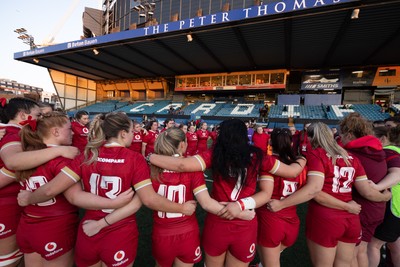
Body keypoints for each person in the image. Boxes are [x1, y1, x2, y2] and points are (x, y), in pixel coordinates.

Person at [17, 112, 196, 267]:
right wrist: (182, 208)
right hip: (120, 232)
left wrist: (29, 198)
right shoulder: (134, 159)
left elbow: (54, 191)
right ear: (123, 133)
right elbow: (149, 200)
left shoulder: (87, 154)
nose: (134, 135)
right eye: (132, 132)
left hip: (87, 231)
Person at [148, 119, 307, 267]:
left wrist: (151, 157)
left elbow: (182, 165)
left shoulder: (214, 154)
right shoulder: (259, 156)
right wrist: (302, 159)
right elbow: (289, 174)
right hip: (245, 223)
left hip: (217, 222)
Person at [15, 112, 130, 267]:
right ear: (55, 132)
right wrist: (114, 202)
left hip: (27, 225)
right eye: (69, 129)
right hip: (54, 228)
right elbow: (73, 197)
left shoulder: (26, 156)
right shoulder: (63, 160)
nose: (74, 132)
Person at [267, 122, 391, 267]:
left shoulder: (316, 154)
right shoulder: (350, 157)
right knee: (345, 263)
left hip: (326, 218)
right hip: (351, 220)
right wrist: (385, 197)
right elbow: (367, 191)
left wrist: (281, 204)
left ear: (311, 138)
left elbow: (314, 190)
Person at [149, 128, 254, 267]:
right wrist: (240, 213)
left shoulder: (150, 168)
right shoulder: (193, 170)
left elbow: (147, 199)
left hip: (161, 233)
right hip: (187, 232)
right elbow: (206, 203)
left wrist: (149, 157)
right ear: (182, 145)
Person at [0, 97, 78, 267]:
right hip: (51, 224)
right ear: (22, 115)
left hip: (28, 222)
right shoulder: (14, 135)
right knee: (7, 260)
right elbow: (12, 162)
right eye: (38, 115)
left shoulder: (29, 145)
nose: (40, 120)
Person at [339, 112, 388, 267]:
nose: (340, 138)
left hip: (364, 209)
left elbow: (366, 191)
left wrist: (384, 197)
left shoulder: (356, 154)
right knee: (362, 249)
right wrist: (384, 196)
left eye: (342, 135)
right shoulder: (375, 149)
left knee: (354, 253)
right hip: (375, 209)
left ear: (349, 134)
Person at [256, 128, 306, 267]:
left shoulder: (269, 162)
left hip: (270, 219)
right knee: (270, 257)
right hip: (291, 219)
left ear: (271, 142)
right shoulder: (300, 162)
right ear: (291, 144)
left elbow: (266, 193)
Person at [368, 125, 400, 267]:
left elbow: (397, 174)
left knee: (373, 245)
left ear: (383, 139)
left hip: (392, 207)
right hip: (397, 208)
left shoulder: (388, 152)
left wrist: (377, 187)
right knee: (395, 245)